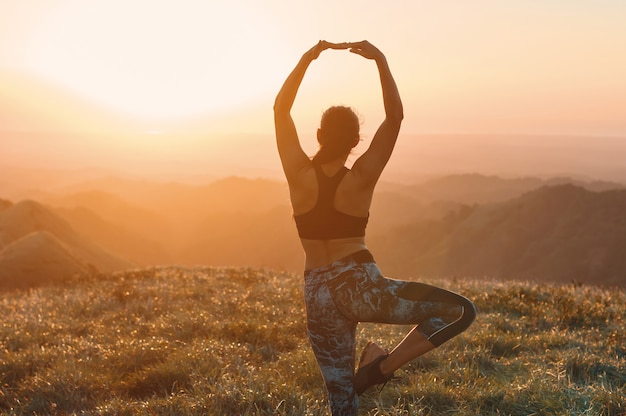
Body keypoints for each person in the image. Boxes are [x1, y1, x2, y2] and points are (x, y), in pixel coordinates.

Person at [274, 40, 476, 416]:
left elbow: (280, 109)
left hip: (317, 293)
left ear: (318, 136)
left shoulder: (297, 175)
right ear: (355, 142)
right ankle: (379, 368)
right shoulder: (362, 177)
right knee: (460, 311)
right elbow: (394, 118)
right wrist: (380, 61)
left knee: (341, 402)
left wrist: (307, 59)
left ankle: (367, 376)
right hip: (360, 287)